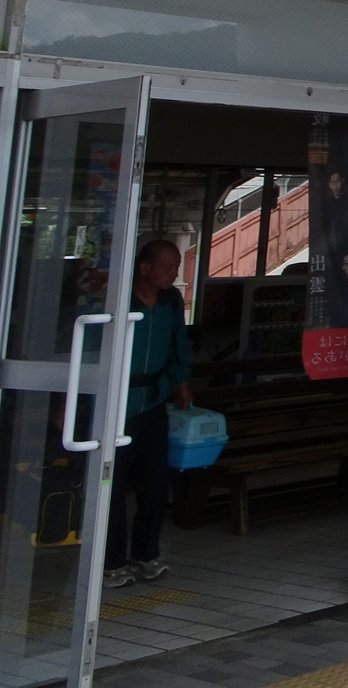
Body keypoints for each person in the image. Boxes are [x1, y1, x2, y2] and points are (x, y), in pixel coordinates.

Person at [105, 239, 192, 587]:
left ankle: (146, 554)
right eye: (169, 266)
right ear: (145, 268)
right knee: (112, 486)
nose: (175, 273)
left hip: (154, 402)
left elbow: (178, 344)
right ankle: (112, 561)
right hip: (117, 404)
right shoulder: (118, 299)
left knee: (156, 484)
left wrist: (181, 381)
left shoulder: (170, 301)